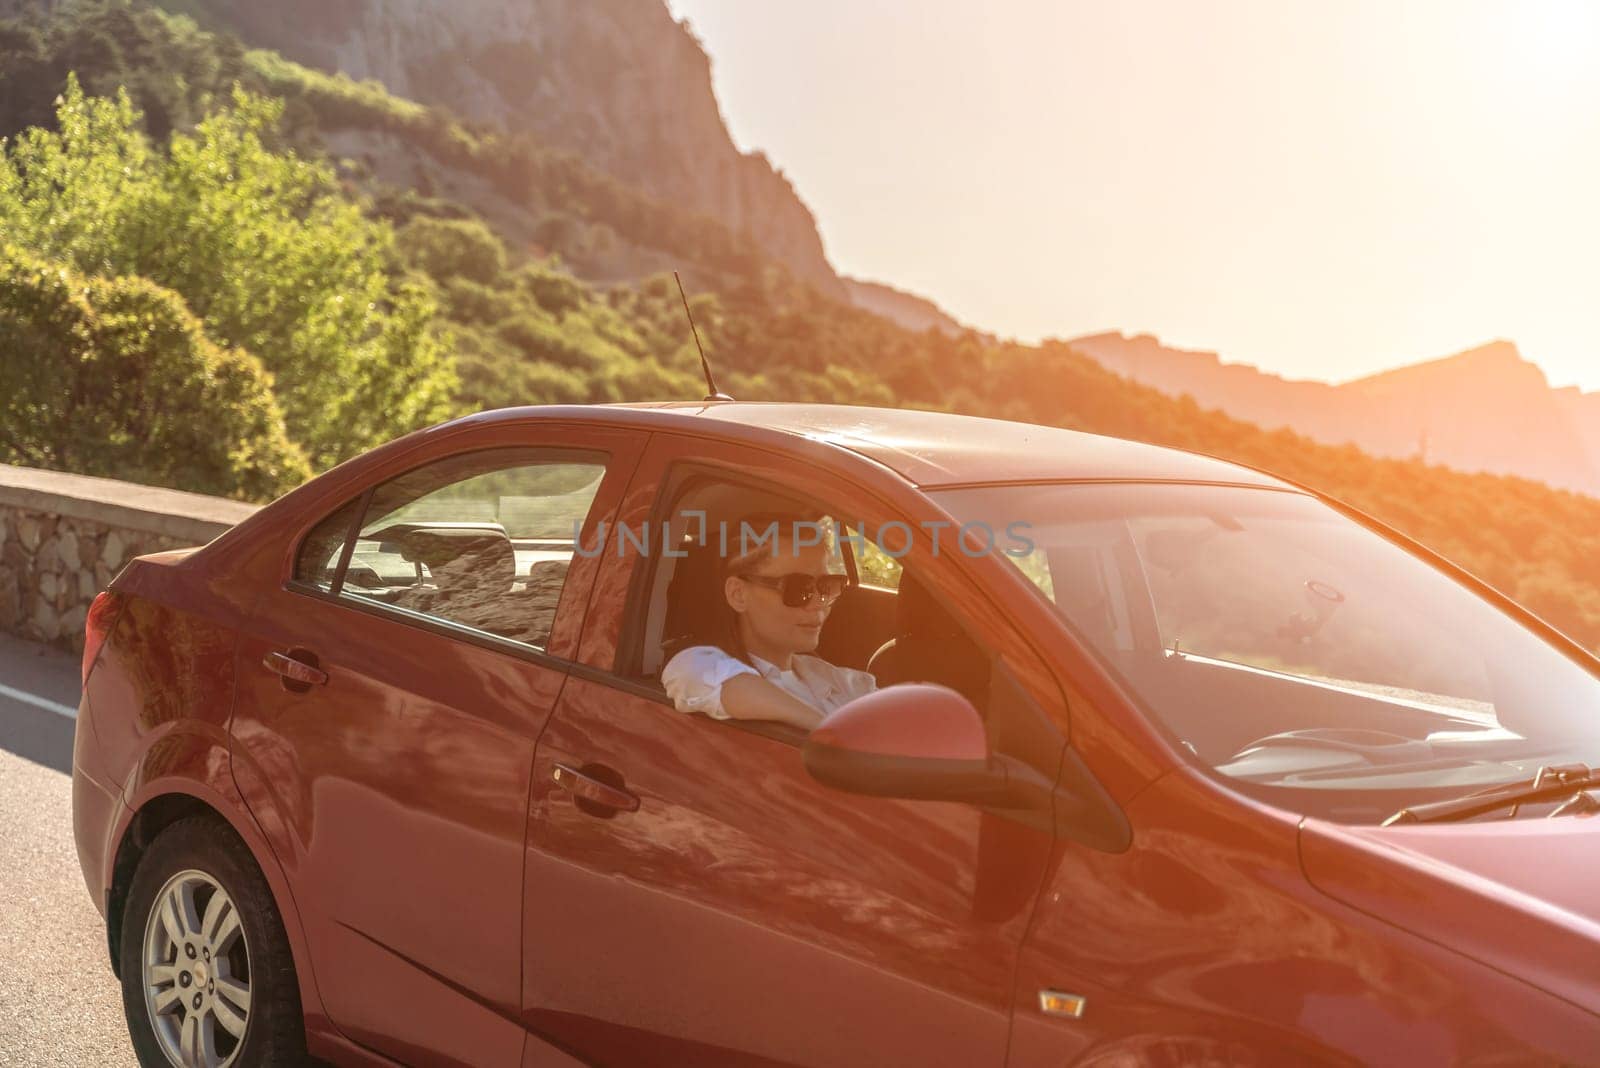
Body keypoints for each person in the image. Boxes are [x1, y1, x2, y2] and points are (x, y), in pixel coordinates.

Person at [661, 513, 877, 730]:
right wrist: (834, 733)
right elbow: (705, 677)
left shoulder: (833, 678)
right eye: (797, 588)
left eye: (826, 586)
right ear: (738, 594)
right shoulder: (696, 664)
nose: (818, 604)